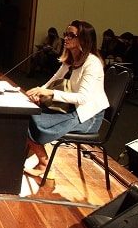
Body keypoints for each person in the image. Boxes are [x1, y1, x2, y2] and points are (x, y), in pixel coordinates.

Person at [24, 20, 109, 178]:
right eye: (66, 34)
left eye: (71, 35)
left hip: (87, 117)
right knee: (25, 113)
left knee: (31, 120)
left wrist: (49, 93)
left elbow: (83, 98)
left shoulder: (93, 63)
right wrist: (38, 93)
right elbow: (52, 81)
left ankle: (44, 164)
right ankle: (38, 160)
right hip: (70, 109)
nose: (66, 38)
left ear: (84, 39)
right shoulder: (71, 59)